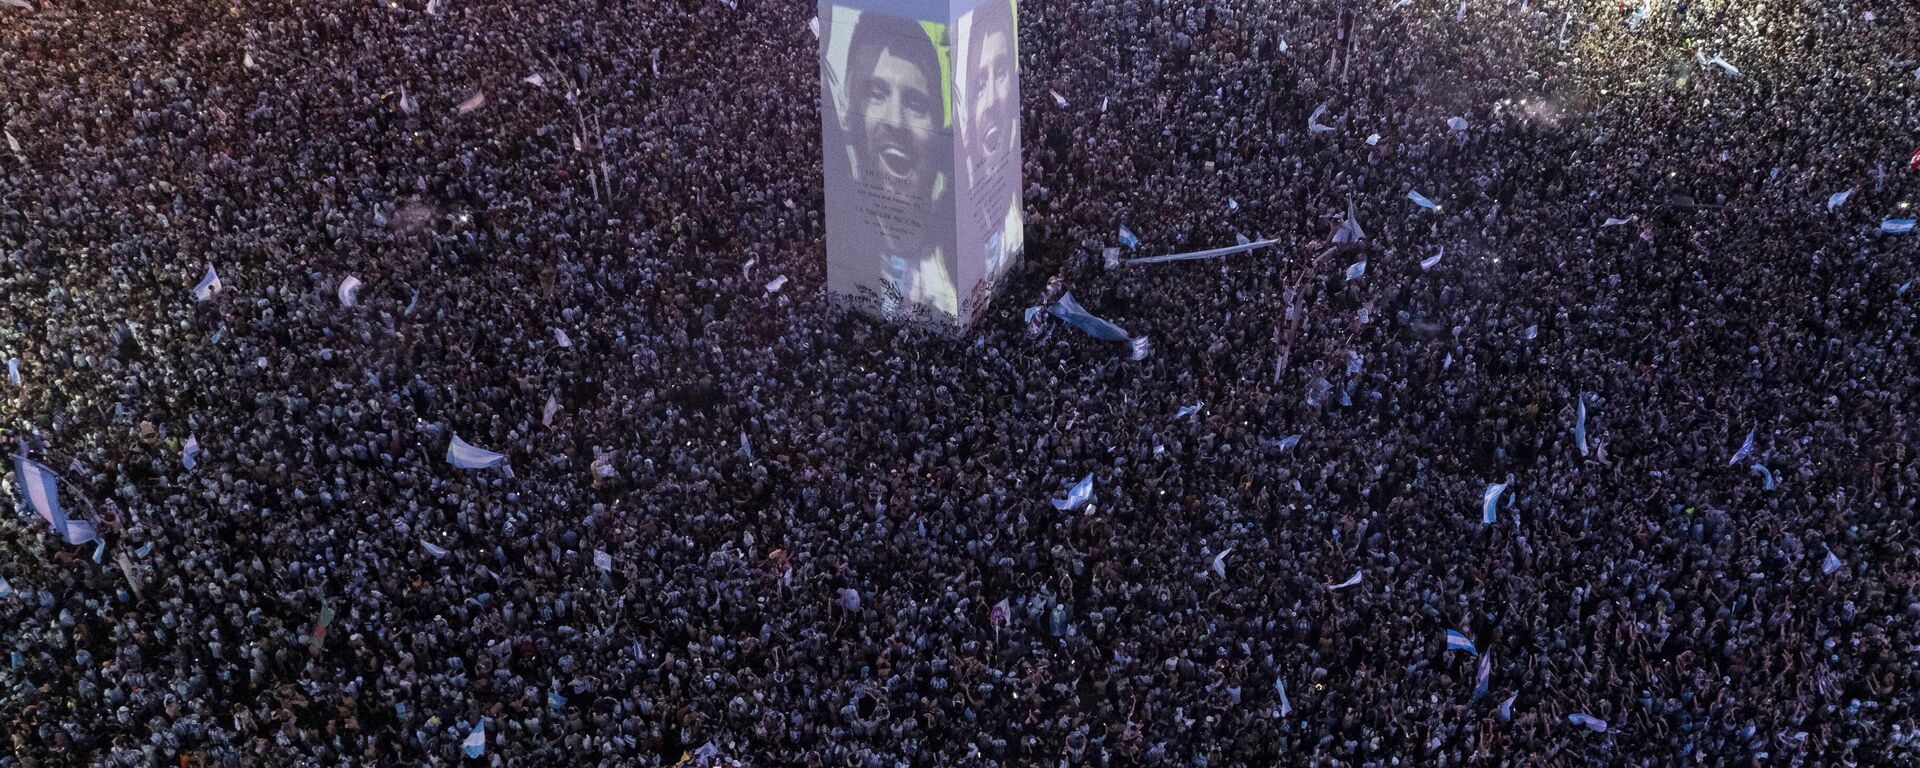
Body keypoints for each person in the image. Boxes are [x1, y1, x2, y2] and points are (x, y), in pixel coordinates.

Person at [839, 10, 958, 319]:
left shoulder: (956, 268)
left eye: (916, 103)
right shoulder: (846, 253)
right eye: (876, 95)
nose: (895, 121)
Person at [959, 0, 1022, 283]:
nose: (993, 100)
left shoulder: (1016, 211)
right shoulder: (957, 219)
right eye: (979, 82)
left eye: (1001, 71)